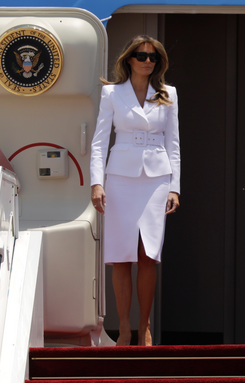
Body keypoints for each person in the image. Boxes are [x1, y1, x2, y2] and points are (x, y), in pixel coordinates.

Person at [90, 35, 181, 346]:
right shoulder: (112, 93)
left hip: (157, 179)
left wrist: (175, 187)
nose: (147, 61)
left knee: (148, 254)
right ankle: (124, 326)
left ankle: (144, 326)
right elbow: (100, 141)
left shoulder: (168, 94)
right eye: (141, 55)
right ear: (129, 59)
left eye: (153, 57)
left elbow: (174, 144)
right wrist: (96, 182)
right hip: (120, 178)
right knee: (121, 255)